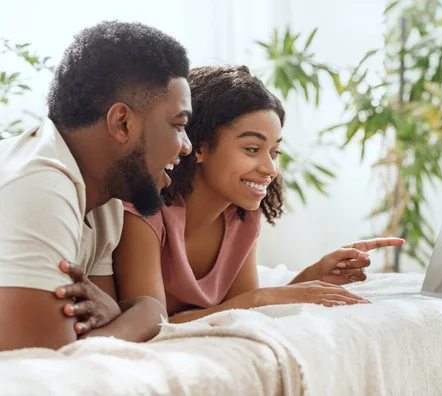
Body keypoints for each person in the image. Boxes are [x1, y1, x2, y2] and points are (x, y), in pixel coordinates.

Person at [111, 65, 404, 325]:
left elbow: (240, 308)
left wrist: (313, 276)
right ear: (198, 146)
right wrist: (262, 298)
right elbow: (152, 327)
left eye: (275, 152)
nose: (270, 168)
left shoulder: (241, 216)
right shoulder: (143, 212)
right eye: (252, 149)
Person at [0, 21, 193, 351]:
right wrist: (146, 313)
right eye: (178, 125)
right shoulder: (40, 186)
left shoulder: (104, 204)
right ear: (122, 123)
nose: (186, 146)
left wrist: (147, 310)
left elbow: (97, 322)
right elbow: (44, 367)